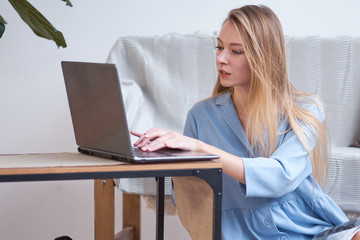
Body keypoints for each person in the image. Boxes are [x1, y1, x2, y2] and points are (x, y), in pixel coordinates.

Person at [131, 5, 360, 240]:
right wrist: (168, 157)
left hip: (312, 232)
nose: (221, 58)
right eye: (219, 47)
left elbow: (280, 176)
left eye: (235, 51)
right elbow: (187, 199)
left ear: (264, 57)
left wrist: (200, 149)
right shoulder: (200, 116)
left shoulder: (304, 110)